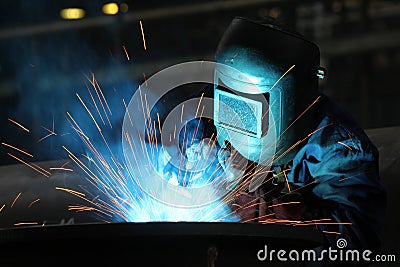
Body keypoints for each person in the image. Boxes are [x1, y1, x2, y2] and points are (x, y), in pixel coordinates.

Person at [153, 16, 387, 263]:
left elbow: (358, 244)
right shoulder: (210, 108)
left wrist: (291, 224)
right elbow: (177, 139)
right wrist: (191, 165)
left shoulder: (338, 148)